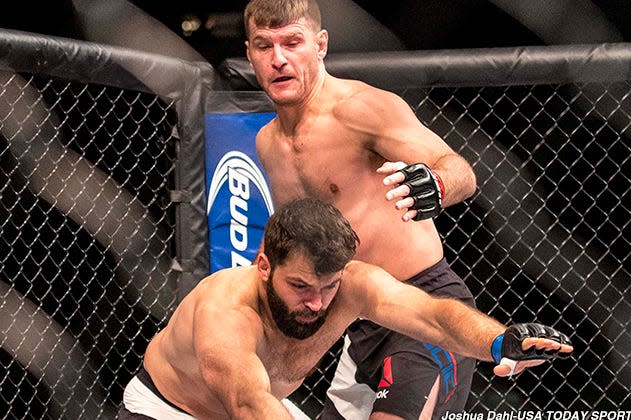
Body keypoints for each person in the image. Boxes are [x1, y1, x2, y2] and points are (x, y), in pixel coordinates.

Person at [118, 198, 572, 419]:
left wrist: (497, 340)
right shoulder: (225, 314)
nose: (316, 303)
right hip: (168, 411)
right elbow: (248, 402)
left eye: (328, 286)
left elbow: (432, 315)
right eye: (299, 285)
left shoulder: (352, 285)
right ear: (263, 265)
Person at [244, 0, 479, 418]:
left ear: (320, 45)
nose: (278, 59)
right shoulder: (267, 142)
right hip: (356, 321)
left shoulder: (361, 109)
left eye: (292, 43)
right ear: (249, 53)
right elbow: (293, 242)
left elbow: (461, 170)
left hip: (422, 305)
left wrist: (437, 184)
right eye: (265, 46)